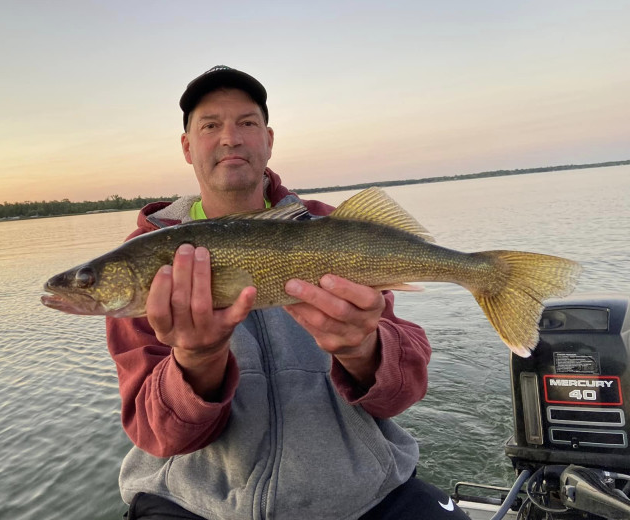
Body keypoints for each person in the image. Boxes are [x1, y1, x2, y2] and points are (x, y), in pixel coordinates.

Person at [106, 65, 469, 519]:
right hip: (194, 502)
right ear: (186, 146)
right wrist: (195, 364)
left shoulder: (335, 229)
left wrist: (366, 350)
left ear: (269, 139)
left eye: (247, 123)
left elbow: (401, 394)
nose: (230, 138)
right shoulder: (148, 254)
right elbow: (157, 433)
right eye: (210, 125)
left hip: (361, 494)